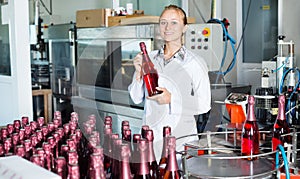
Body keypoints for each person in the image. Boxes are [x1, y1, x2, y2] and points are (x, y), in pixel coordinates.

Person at [128, 4, 211, 158]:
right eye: (163, 22)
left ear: (184, 28)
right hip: (151, 137)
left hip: (181, 139)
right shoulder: (149, 58)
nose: (167, 27)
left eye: (174, 22)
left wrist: (171, 99)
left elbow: (204, 104)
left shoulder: (195, 62)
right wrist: (138, 72)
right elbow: (135, 97)